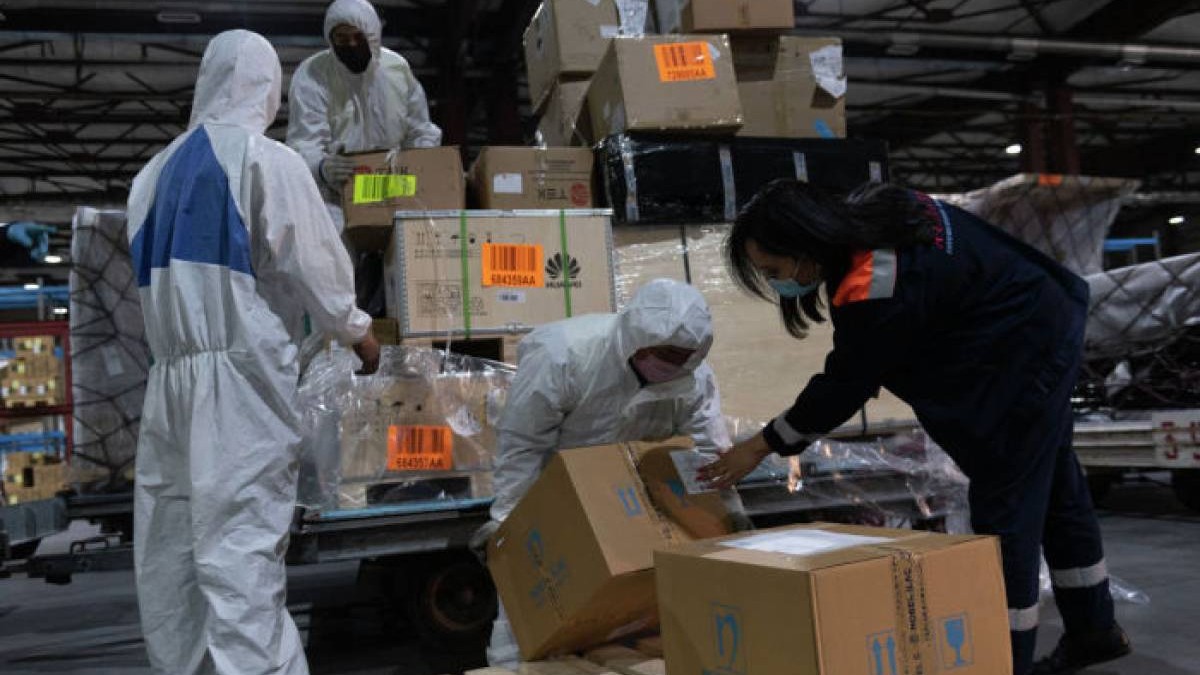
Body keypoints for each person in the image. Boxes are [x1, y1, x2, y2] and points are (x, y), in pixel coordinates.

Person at [699, 179, 1129, 675]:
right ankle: (1094, 631)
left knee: (1006, 513)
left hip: (1024, 355)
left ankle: (1003, 660)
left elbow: (845, 384)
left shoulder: (875, 285)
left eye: (774, 271)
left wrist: (760, 445)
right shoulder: (880, 212)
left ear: (806, 246)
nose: (777, 284)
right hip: (1041, 321)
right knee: (1055, 487)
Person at [126, 30, 380, 675]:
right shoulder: (265, 159)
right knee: (240, 550)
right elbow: (315, 263)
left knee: (172, 552)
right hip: (237, 381)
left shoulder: (149, 176)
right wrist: (358, 332)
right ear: (268, 88)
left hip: (168, 384)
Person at [473, 278, 745, 668]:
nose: (668, 362)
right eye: (661, 352)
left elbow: (708, 450)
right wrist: (507, 522)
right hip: (555, 498)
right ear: (636, 337)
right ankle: (510, 667)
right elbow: (523, 445)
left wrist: (730, 513)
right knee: (529, 608)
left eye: (680, 356)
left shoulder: (693, 377)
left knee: (624, 614)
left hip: (632, 504)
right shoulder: (564, 355)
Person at [287, 0, 442, 232]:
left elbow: (421, 131)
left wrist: (420, 166)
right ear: (330, 39)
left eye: (358, 36)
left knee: (404, 249)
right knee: (337, 248)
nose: (351, 44)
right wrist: (321, 167)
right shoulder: (313, 75)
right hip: (337, 197)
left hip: (394, 189)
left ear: (373, 36)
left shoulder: (396, 70)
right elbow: (304, 141)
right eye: (341, 38)